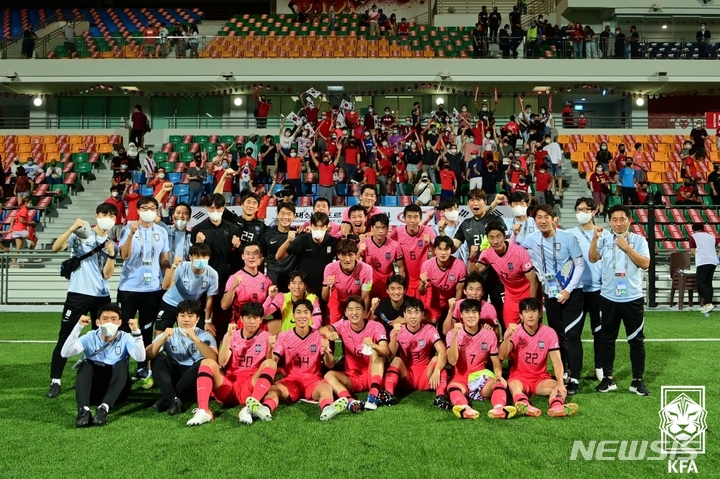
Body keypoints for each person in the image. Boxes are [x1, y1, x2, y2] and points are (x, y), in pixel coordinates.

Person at [47, 205, 119, 398]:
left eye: (112, 215)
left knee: (103, 336)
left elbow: (107, 274)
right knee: (65, 336)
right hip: (78, 293)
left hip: (102, 295)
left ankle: (98, 375)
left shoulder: (111, 243)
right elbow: (56, 247)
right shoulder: (80, 234)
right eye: (104, 214)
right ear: (97, 216)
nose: (108, 218)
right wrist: (72, 228)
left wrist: (111, 254)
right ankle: (56, 381)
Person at [517, 204, 585, 390]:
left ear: (554, 219)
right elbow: (516, 250)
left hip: (572, 294)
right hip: (551, 294)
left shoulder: (568, 238)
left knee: (572, 335)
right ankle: (563, 373)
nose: (543, 220)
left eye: (547, 216)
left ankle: (575, 378)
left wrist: (568, 290)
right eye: (539, 217)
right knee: (558, 336)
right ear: (535, 220)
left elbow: (580, 265)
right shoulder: (532, 238)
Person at [248, 300, 350, 422]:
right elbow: (273, 361)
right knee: (273, 390)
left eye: (306, 312)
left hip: (312, 381)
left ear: (311, 315)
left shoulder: (319, 336)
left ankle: (327, 409)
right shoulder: (284, 336)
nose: (302, 316)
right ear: (293, 315)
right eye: (299, 312)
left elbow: (330, 364)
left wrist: (327, 352)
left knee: (326, 388)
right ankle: (265, 410)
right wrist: (270, 348)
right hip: (291, 381)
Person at [589, 204, 650, 396]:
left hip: (632, 298)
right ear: (609, 222)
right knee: (607, 339)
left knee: (636, 341)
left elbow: (645, 264)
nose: (618, 223)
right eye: (614, 219)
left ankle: (637, 381)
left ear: (629, 220)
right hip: (608, 298)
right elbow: (592, 258)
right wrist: (594, 238)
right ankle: (608, 379)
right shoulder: (605, 239)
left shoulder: (639, 240)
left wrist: (626, 248)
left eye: (622, 219)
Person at [191, 302, 278, 426]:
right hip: (229, 386)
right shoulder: (232, 335)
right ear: (241, 319)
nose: (252, 321)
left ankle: (250, 407)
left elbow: (270, 365)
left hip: (249, 387)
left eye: (255, 317)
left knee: (270, 363)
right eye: (248, 317)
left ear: (261, 320)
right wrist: (229, 337)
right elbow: (221, 361)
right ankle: (203, 410)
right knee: (207, 362)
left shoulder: (266, 337)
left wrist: (270, 349)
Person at [61, 304, 144, 427]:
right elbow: (65, 353)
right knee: (85, 365)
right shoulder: (90, 337)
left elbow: (140, 357)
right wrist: (78, 327)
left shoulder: (125, 337)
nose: (109, 322)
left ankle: (103, 409)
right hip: (93, 393)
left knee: (121, 364)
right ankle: (84, 411)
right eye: (105, 319)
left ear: (120, 322)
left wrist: (136, 333)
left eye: (113, 319)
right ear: (97, 322)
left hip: (116, 393)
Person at [117, 196, 170, 384]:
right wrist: (131, 234)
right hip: (129, 288)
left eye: (153, 208)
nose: (149, 211)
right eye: (145, 208)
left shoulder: (162, 231)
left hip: (153, 288)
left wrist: (168, 279)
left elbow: (164, 260)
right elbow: (124, 255)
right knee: (123, 329)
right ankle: (120, 369)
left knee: (147, 329)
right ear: (138, 210)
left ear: (157, 211)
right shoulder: (128, 228)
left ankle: (143, 367)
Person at [499, 298, 579, 417]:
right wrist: (507, 337)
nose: (530, 315)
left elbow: (557, 361)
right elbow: (502, 355)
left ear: (540, 313)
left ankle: (557, 407)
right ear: (521, 315)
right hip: (519, 377)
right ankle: (524, 405)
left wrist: (561, 382)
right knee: (515, 387)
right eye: (526, 312)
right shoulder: (515, 331)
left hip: (540, 378)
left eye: (534, 311)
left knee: (558, 387)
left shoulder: (549, 332)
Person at [147, 300, 218, 416]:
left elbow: (214, 359)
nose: (186, 319)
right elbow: (148, 355)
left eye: (190, 316)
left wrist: (195, 339)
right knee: (158, 358)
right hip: (174, 376)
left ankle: (167, 398)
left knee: (204, 362)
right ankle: (173, 399)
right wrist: (163, 338)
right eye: (182, 315)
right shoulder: (169, 333)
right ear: (177, 317)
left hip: (193, 382)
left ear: (197, 319)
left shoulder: (205, 336)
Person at [446, 299, 513, 420]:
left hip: (480, 379)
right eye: (467, 312)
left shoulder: (489, 334)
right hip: (460, 378)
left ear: (480, 314)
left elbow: (496, 362)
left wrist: (498, 374)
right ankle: (465, 408)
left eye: (474, 312)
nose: (471, 316)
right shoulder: (452, 334)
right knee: (453, 388)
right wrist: (455, 336)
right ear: (461, 315)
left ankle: (499, 408)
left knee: (498, 382)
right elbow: (452, 361)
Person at [321, 296, 390, 410]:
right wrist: (328, 333)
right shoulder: (343, 325)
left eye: (358, 309)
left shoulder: (376, 326)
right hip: (352, 376)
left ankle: (373, 396)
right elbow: (322, 329)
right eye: (350, 309)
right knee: (329, 375)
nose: (354, 312)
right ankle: (350, 401)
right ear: (346, 313)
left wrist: (373, 345)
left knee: (376, 352)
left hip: (372, 374)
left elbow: (386, 350)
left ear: (364, 312)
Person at [382, 298, 450, 408]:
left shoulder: (429, 329)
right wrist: (394, 336)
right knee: (396, 360)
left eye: (417, 312)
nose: (413, 316)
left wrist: (437, 370)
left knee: (437, 360)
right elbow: (391, 355)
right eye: (409, 312)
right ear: (404, 314)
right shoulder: (398, 330)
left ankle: (440, 396)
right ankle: (388, 393)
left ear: (422, 314)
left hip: (425, 376)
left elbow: (442, 350)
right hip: (406, 377)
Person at [569, 198, 607, 387]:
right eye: (578, 209)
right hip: (575, 290)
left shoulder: (604, 234)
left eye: (585, 209)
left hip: (598, 290)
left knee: (599, 331)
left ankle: (599, 367)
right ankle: (571, 368)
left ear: (593, 212)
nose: (581, 212)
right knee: (572, 332)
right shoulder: (568, 234)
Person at [475, 220, 538, 329]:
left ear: (504, 235)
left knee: (530, 328)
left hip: (528, 291)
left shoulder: (519, 252)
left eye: (498, 236)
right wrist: (472, 258)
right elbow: (475, 271)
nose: (495, 241)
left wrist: (532, 303)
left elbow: (533, 280)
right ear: (487, 238)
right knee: (510, 329)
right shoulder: (487, 254)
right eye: (491, 237)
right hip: (511, 295)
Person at [157, 243, 218, 335]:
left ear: (209, 257)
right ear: (190, 257)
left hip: (191, 307)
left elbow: (210, 298)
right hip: (171, 303)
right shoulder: (181, 268)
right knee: (160, 335)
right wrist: (173, 266)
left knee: (196, 336)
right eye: (197, 256)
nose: (201, 259)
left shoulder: (212, 274)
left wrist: (207, 321)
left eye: (204, 256)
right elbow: (165, 286)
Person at [278, 212, 339, 298]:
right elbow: (279, 257)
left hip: (325, 288)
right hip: (305, 289)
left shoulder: (333, 242)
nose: (318, 229)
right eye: (315, 226)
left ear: (326, 227)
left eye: (321, 226)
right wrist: (288, 240)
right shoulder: (301, 240)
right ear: (310, 226)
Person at [221, 241, 281, 327]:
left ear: (260, 256)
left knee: (282, 325)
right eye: (248, 254)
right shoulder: (234, 278)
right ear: (242, 256)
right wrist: (233, 287)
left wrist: (263, 313)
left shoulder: (266, 280)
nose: (251, 257)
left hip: (259, 322)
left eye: (255, 253)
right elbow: (224, 306)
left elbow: (277, 299)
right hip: (240, 324)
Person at [323, 239, 373, 324]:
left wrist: (363, 318)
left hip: (357, 300)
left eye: (350, 255)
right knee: (333, 327)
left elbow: (365, 297)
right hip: (337, 301)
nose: (347, 259)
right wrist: (328, 286)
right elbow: (324, 297)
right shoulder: (330, 268)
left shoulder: (366, 269)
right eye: (343, 255)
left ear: (356, 255)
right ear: (338, 255)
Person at [419, 236, 467, 325]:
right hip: (434, 303)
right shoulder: (427, 265)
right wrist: (422, 283)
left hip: (452, 301)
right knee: (429, 326)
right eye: (440, 249)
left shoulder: (460, 266)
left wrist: (454, 310)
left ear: (451, 250)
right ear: (434, 250)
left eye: (446, 249)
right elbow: (422, 292)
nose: (443, 253)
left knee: (450, 327)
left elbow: (459, 291)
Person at [360, 214, 405, 300]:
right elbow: (357, 265)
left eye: (383, 227)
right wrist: (358, 252)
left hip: (387, 286)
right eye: (377, 227)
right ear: (372, 228)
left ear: (388, 229)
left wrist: (399, 284)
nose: (380, 231)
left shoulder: (395, 245)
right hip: (368, 285)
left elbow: (401, 267)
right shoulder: (363, 244)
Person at [689, 223, 719, 313]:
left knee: (700, 281)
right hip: (713, 261)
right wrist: (718, 257)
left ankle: (708, 303)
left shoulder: (693, 236)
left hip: (703, 261)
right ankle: (708, 303)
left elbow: (692, 250)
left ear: (693, 230)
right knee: (708, 282)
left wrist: (698, 256)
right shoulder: (711, 236)